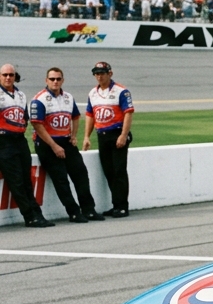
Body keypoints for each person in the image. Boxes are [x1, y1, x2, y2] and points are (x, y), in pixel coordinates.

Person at [30, 68, 103, 223]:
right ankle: (74, 212)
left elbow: (76, 116)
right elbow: (37, 125)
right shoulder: (39, 99)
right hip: (46, 143)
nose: (55, 82)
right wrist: (54, 146)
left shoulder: (68, 97)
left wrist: (74, 135)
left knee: (81, 173)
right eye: (52, 79)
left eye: (58, 79)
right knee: (61, 178)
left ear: (63, 80)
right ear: (46, 81)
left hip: (66, 140)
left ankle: (89, 209)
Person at [0, 65, 54, 228]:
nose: (8, 77)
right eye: (5, 75)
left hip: (20, 140)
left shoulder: (21, 95)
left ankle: (37, 214)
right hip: (3, 141)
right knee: (16, 181)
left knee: (27, 179)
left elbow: (24, 117)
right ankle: (29, 217)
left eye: (11, 75)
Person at [83, 62, 133, 218]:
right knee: (109, 171)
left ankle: (122, 206)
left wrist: (124, 135)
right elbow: (90, 115)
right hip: (102, 135)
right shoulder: (92, 93)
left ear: (110, 74)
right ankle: (116, 204)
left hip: (117, 133)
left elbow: (128, 113)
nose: (99, 76)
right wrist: (86, 136)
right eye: (96, 73)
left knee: (119, 171)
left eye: (102, 73)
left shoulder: (121, 91)